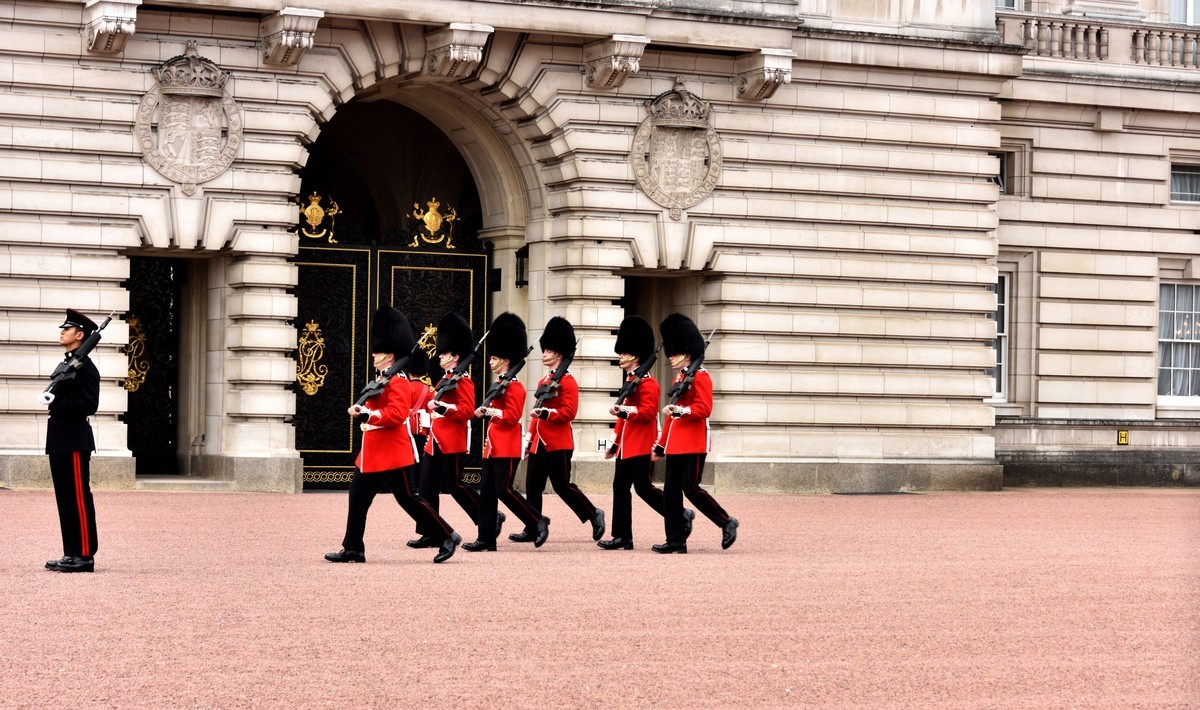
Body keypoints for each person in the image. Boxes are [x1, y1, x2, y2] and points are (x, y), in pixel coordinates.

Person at [325, 306, 461, 564]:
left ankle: (447, 535)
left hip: (394, 453)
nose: (373, 355)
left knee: (409, 499)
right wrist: (365, 409)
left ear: (388, 355)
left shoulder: (398, 381)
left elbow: (397, 415)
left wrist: (366, 415)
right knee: (357, 498)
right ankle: (353, 547)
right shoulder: (383, 378)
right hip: (372, 454)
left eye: (377, 352)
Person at [408, 312, 505, 549]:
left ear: (455, 355)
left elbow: (466, 410)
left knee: (454, 485)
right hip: (434, 441)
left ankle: (490, 517)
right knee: (426, 486)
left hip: (452, 441)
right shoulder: (444, 379)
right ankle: (431, 532)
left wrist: (442, 408)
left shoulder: (464, 380)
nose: (439, 356)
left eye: (443, 353)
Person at [598, 315, 693, 550]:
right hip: (626, 446)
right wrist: (614, 444)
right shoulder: (631, 381)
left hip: (642, 444)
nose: (619, 356)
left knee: (642, 488)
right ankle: (622, 536)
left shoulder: (648, 383)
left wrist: (625, 410)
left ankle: (680, 514)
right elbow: (624, 419)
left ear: (635, 354)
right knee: (620, 487)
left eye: (623, 352)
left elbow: (649, 412)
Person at [652, 313, 738, 554]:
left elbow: (704, 408)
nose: (670, 358)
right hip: (676, 444)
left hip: (694, 442)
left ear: (686, 352)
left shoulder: (701, 376)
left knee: (691, 489)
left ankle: (726, 521)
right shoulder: (680, 377)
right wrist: (660, 445)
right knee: (670, 494)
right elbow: (671, 416)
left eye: (674, 353)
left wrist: (682, 410)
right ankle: (676, 540)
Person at [515, 316, 605, 543]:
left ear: (559, 353)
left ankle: (594, 514)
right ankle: (533, 526)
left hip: (558, 443)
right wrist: (529, 439)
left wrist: (547, 414)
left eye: (548, 351)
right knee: (532, 487)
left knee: (562, 486)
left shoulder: (568, 382)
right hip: (539, 443)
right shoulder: (543, 382)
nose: (544, 354)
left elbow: (569, 412)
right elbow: (536, 414)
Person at [462, 312, 547, 552]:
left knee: (504, 490)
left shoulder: (516, 387)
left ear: (506, 360)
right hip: (492, 448)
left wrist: (487, 412)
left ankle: (537, 520)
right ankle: (486, 538)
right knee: (487, 493)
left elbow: (511, 418)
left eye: (494, 358)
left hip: (508, 447)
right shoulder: (498, 384)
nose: (490, 362)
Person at [42, 309, 102, 573]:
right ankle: (71, 553)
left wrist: (57, 401)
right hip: (59, 438)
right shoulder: (68, 364)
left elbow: (89, 404)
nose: (61, 332)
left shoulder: (86, 368)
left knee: (78, 497)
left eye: (66, 329)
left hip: (74, 439)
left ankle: (85, 555)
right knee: (64, 498)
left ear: (80, 335)